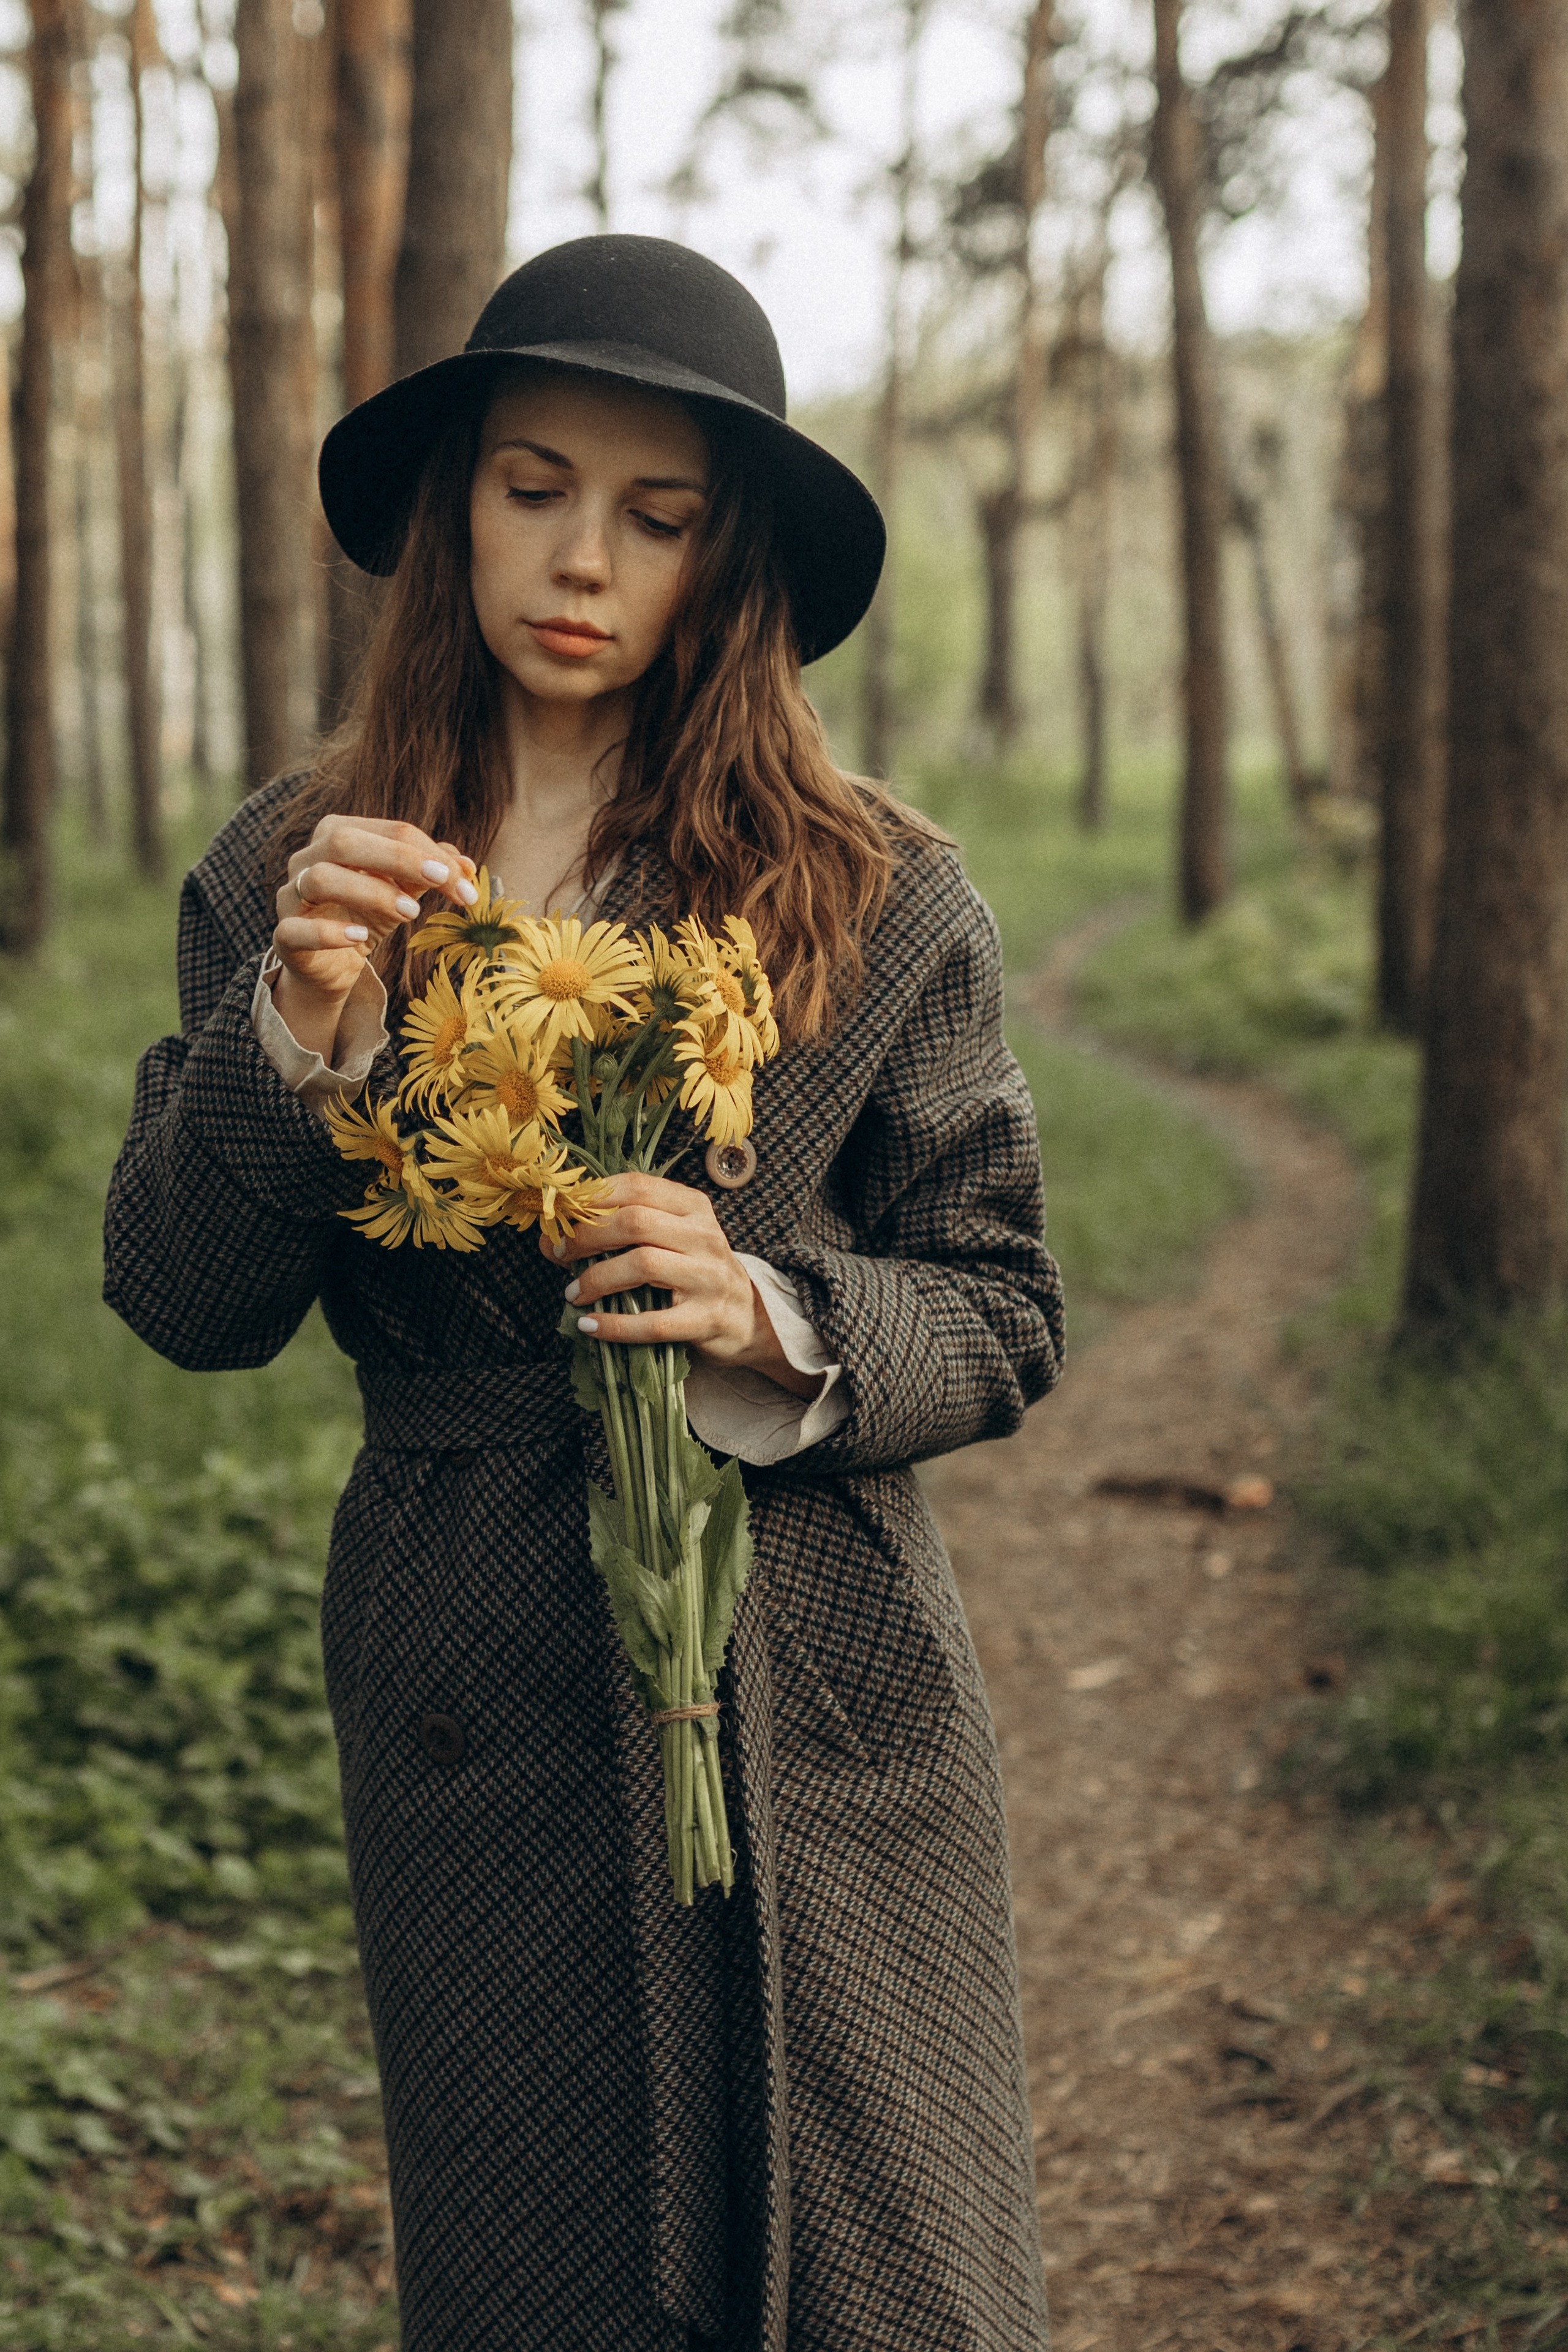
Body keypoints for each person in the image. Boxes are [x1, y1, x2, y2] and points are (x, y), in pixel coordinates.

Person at [104, 235, 1063, 2352]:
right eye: (534, 487)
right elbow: (180, 1303)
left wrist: (776, 1316)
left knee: (885, 2269)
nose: (583, 560)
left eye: (658, 517)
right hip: (471, 1660)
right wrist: (296, 1039)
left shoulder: (869, 883)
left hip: (811, 1665)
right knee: (551, 2268)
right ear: (451, 501)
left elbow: (1001, 1299)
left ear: (729, 564)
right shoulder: (301, 864)